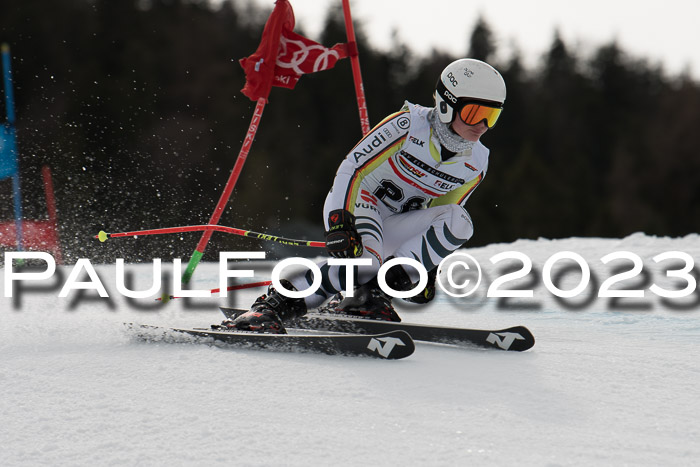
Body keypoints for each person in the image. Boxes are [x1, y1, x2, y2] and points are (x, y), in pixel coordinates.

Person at [228, 58, 506, 333]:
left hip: (396, 221)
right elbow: (352, 168)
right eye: (474, 112)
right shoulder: (408, 125)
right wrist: (341, 221)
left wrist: (425, 269)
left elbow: (441, 214)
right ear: (447, 104)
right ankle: (273, 304)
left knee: (461, 220)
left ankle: (367, 295)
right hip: (360, 203)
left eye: (491, 115)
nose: (481, 124)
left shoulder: (477, 161)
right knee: (366, 264)